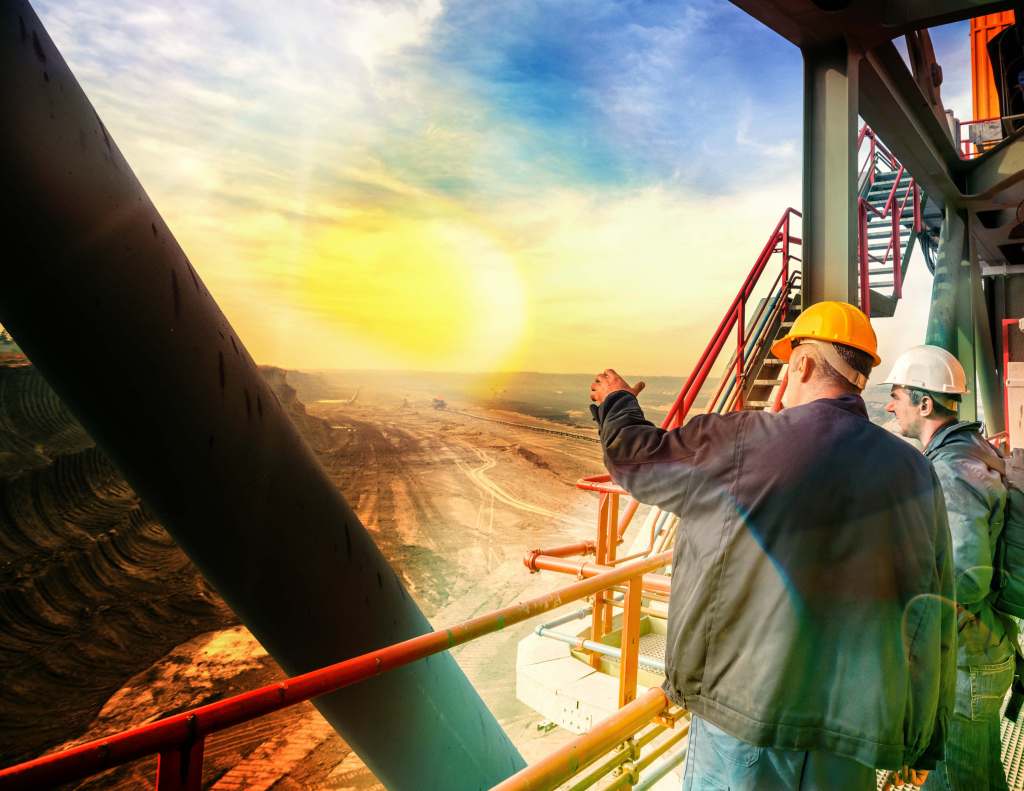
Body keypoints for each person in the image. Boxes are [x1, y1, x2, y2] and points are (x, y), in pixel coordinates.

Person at [589, 301, 955, 790]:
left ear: (801, 364)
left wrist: (616, 403)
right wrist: (925, 739)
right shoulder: (916, 471)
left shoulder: (740, 440)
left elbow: (638, 460)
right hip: (852, 736)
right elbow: (936, 612)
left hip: (745, 723)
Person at [885, 344, 1015, 791]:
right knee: (971, 776)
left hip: (966, 665)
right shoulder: (969, 450)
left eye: (897, 395)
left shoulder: (952, 469)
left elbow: (964, 577)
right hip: (980, 649)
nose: (889, 404)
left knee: (962, 782)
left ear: (924, 403)